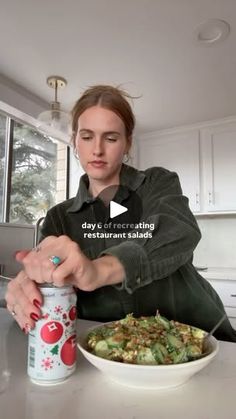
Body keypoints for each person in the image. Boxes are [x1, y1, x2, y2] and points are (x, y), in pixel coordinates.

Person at [5, 85, 236, 342]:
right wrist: (32, 280)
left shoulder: (157, 183)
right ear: (75, 141)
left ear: (127, 143)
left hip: (201, 337)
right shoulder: (59, 217)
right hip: (108, 353)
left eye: (111, 138)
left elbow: (177, 229)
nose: (97, 150)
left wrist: (97, 270)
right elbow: (50, 276)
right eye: (87, 136)